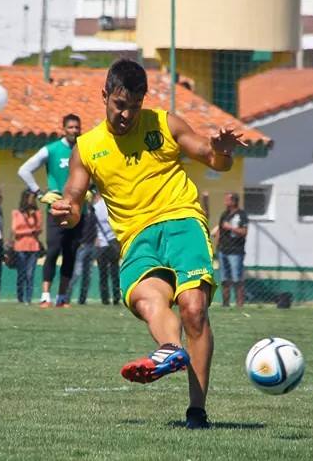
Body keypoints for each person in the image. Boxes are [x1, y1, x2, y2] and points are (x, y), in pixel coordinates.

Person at [51, 59, 246, 429]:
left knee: (193, 308)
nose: (127, 114)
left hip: (182, 221)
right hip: (136, 238)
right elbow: (74, 198)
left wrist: (221, 150)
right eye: (120, 105)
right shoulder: (88, 147)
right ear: (104, 95)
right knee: (146, 299)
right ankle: (170, 351)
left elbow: (212, 158)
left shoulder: (165, 123)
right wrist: (67, 211)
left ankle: (196, 412)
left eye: (135, 106)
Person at [18, 114, 84, 308]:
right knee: (54, 250)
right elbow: (24, 170)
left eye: (76, 127)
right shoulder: (52, 150)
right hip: (56, 210)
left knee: (70, 253)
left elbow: (97, 173)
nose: (74, 130)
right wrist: (39, 194)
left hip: (79, 210)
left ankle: (62, 297)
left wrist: (91, 191)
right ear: (63, 129)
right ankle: (45, 295)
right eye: (70, 127)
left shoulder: (85, 149)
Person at [217, 192, 249, 308]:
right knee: (224, 279)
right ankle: (225, 304)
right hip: (223, 250)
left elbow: (244, 232)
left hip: (236, 251)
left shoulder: (242, 215)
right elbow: (220, 230)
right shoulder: (224, 214)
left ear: (234, 201)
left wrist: (230, 227)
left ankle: (239, 305)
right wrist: (217, 246)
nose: (225, 202)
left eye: (227, 200)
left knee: (237, 279)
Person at [11, 190, 43, 304]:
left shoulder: (37, 213)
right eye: (30, 198)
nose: (32, 201)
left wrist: (33, 219)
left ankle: (28, 299)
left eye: (34, 198)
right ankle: (20, 297)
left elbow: (39, 229)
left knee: (30, 274)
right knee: (21, 274)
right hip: (20, 247)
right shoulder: (16, 213)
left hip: (33, 247)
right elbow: (15, 231)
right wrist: (30, 230)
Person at [93, 191, 121, 305]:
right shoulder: (112, 206)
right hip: (113, 242)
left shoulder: (95, 207)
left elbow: (92, 225)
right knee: (115, 272)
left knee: (102, 273)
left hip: (101, 244)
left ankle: (105, 298)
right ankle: (116, 297)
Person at [66, 208, 97, 304]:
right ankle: (66, 297)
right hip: (82, 247)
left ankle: (82, 299)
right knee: (77, 273)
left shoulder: (94, 212)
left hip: (91, 246)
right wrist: (79, 243)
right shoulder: (79, 213)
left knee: (88, 275)